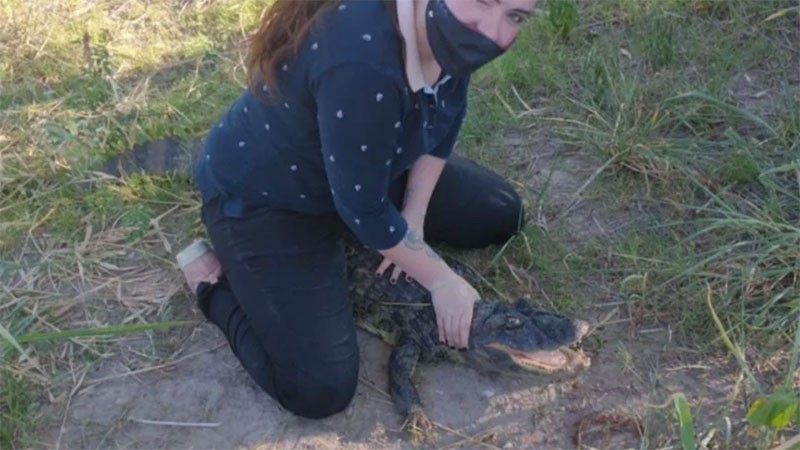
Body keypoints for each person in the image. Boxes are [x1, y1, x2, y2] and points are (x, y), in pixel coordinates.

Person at [176, 0, 536, 420]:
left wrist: (413, 217)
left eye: (515, 15)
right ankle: (211, 285)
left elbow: (444, 123)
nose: (492, 30)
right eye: (483, 0)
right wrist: (442, 281)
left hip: (361, 169)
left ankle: (362, 239)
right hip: (270, 200)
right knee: (320, 388)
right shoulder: (361, 56)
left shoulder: (448, 32)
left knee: (500, 212)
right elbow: (364, 210)